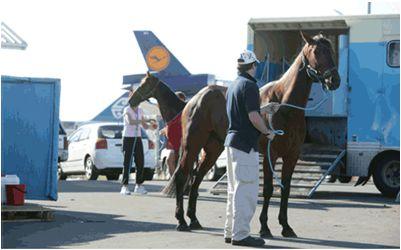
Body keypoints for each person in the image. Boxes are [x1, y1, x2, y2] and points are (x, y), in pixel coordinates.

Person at [224, 50, 275, 247]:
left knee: (233, 191)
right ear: (253, 66)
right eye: (256, 65)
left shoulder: (234, 85)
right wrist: (267, 132)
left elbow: (244, 112)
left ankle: (230, 232)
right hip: (245, 146)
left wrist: (264, 109)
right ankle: (241, 235)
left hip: (231, 143)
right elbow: (253, 118)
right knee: (245, 192)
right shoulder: (251, 86)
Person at [120, 89, 156, 195]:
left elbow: (144, 125)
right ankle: (124, 186)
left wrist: (151, 126)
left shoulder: (140, 110)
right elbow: (130, 121)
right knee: (127, 162)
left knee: (140, 161)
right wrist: (146, 121)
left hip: (138, 137)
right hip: (128, 138)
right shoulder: (127, 109)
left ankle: (139, 185)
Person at [159, 91, 186, 177]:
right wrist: (165, 129)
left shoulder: (186, 110)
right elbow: (171, 124)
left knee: (178, 161)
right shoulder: (171, 111)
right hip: (173, 143)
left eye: (180, 101)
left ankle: (182, 181)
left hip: (183, 142)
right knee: (169, 160)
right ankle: (174, 181)